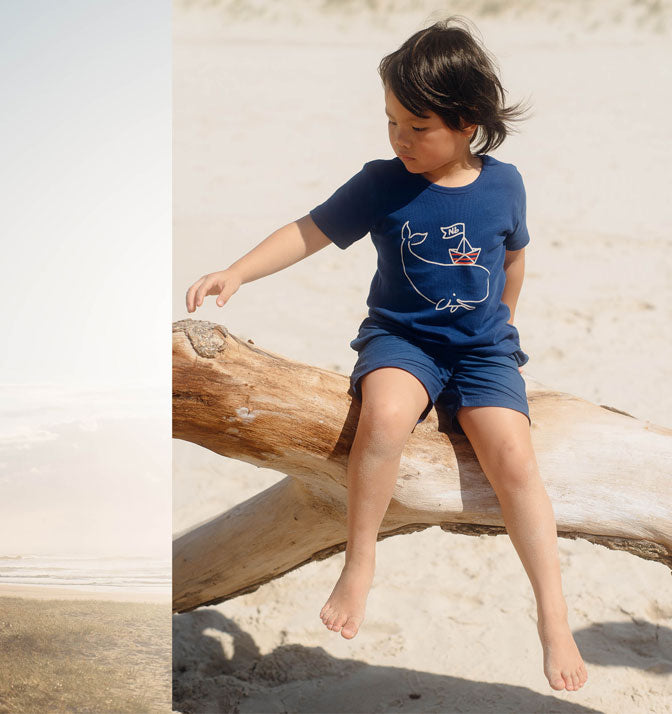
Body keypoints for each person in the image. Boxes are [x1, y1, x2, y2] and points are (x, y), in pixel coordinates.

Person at [184, 17, 588, 693]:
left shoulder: (505, 184)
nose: (400, 138)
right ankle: (360, 560)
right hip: (403, 340)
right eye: (391, 122)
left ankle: (553, 615)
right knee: (383, 422)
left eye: (417, 126)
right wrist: (238, 272)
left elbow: (514, 260)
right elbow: (308, 231)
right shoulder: (381, 183)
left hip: (485, 349)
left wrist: (505, 328)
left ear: (467, 123)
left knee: (515, 460)